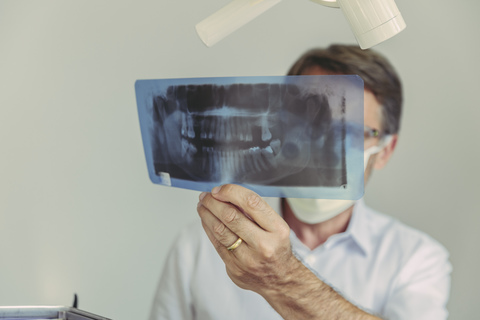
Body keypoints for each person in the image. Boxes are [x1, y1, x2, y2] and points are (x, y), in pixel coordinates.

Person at [149, 44, 452, 320]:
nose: (320, 144)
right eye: (305, 123)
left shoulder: (417, 259)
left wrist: (281, 278)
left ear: (384, 150)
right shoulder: (203, 244)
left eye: (348, 133)